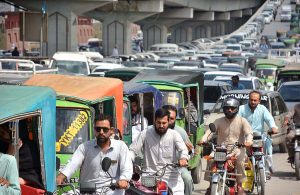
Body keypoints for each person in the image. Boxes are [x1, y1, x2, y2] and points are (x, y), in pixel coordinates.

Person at [56, 115, 133, 195]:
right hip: (87, 190)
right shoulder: (84, 147)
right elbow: (73, 163)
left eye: (105, 129)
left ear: (111, 131)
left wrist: (124, 180)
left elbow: (127, 167)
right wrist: (62, 175)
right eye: (98, 129)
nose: (101, 132)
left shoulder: (121, 146)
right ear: (94, 130)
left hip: (112, 190)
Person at [129, 108, 189, 195]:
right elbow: (132, 150)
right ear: (154, 121)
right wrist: (129, 161)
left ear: (168, 122)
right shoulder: (145, 133)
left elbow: (183, 149)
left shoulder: (174, 134)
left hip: (171, 177)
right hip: (149, 176)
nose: (161, 126)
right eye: (158, 123)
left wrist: (183, 158)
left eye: (164, 123)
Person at [200, 97, 253, 195]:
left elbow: (249, 134)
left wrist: (248, 142)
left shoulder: (242, 121)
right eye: (227, 108)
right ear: (224, 109)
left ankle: (240, 186)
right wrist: (203, 139)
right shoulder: (218, 120)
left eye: (232, 108)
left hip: (237, 149)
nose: (230, 110)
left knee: (240, 161)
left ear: (236, 109)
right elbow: (210, 132)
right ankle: (211, 185)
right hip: (220, 149)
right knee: (210, 159)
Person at [238, 90, 278, 178]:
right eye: (251, 100)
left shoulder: (262, 108)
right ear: (249, 99)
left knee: (268, 142)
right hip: (245, 136)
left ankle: (267, 168)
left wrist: (273, 127)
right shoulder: (241, 109)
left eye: (255, 100)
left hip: (259, 136)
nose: (253, 102)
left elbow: (269, 119)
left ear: (259, 101)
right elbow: (236, 121)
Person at [162, 105, 194, 195]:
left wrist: (188, 152)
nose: (169, 121)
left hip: (176, 167)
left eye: (172, 118)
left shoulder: (180, 132)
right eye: (167, 118)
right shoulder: (152, 131)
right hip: (156, 168)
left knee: (187, 179)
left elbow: (191, 151)